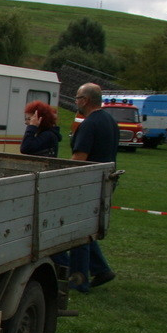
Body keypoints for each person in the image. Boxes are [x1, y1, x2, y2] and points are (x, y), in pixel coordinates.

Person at [66, 83, 117, 292]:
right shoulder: (109, 120)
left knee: (78, 231)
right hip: (105, 182)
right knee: (87, 228)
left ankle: (79, 282)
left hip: (88, 184)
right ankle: (101, 269)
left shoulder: (88, 124)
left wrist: (63, 178)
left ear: (85, 100)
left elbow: (79, 158)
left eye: (77, 98)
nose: (76, 101)